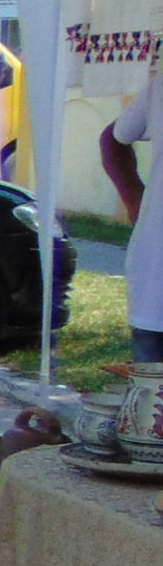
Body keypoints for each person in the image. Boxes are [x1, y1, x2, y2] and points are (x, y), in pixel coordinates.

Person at [97, 72, 163, 361]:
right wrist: (135, 200)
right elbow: (113, 139)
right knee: (150, 387)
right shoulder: (160, 88)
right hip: (155, 285)